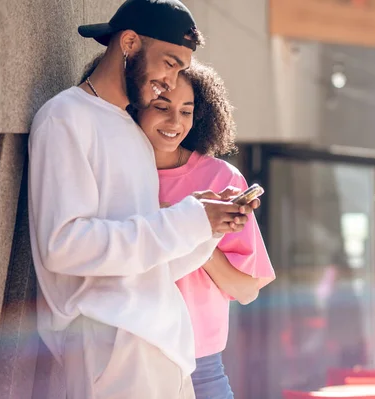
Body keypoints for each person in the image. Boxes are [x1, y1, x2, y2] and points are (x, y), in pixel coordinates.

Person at [28, 1, 259, 398]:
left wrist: (205, 225)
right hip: (111, 341)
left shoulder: (130, 131)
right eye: (169, 63)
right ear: (130, 43)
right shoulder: (65, 117)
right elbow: (62, 247)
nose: (171, 81)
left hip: (161, 343)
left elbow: (143, 261)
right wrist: (185, 219)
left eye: (179, 69)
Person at [137, 59, 276, 398]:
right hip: (130, 359)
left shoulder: (220, 178)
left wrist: (200, 231)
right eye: (162, 106)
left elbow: (247, 290)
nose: (175, 122)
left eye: (186, 111)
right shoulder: (115, 169)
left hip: (201, 367)